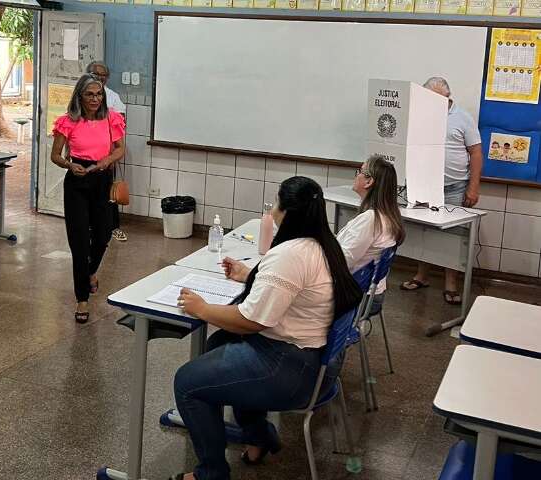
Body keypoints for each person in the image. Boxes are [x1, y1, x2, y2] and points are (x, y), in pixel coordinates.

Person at [169, 176, 363, 480]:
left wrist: (203, 309)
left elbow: (251, 321)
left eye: (275, 204)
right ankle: (259, 436)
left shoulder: (291, 254)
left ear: (286, 212)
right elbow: (293, 292)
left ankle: (211, 472)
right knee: (219, 343)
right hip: (313, 360)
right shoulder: (323, 244)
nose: (272, 211)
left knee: (187, 383)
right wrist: (250, 276)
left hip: (290, 368)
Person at [401, 77, 483, 305]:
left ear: (448, 98)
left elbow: (476, 153)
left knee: (453, 235)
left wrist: (473, 187)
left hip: (455, 187)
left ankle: (451, 284)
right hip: (424, 185)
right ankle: (421, 276)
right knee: (424, 231)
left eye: (438, 100)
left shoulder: (462, 118)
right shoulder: (419, 114)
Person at [50, 73, 125, 323]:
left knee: (103, 234)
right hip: (78, 182)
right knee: (80, 242)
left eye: (99, 94)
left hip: (102, 179)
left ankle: (91, 272)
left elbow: (120, 149)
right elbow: (56, 156)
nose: (95, 99)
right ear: (79, 97)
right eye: (90, 94)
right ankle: (82, 299)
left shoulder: (111, 119)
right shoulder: (67, 122)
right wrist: (70, 166)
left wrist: (106, 160)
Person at [336, 154, 405, 314]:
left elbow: (342, 262)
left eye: (359, 171)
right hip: (370, 293)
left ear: (369, 181)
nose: (356, 175)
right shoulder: (388, 215)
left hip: (356, 297)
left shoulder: (370, 219)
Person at [86, 61, 128, 242]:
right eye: (96, 74)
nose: (100, 78)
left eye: (103, 76)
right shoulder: (79, 94)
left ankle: (113, 227)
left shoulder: (112, 97)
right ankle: (88, 226)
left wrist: (110, 155)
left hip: (106, 154)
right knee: (86, 192)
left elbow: (119, 127)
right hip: (84, 154)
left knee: (107, 193)